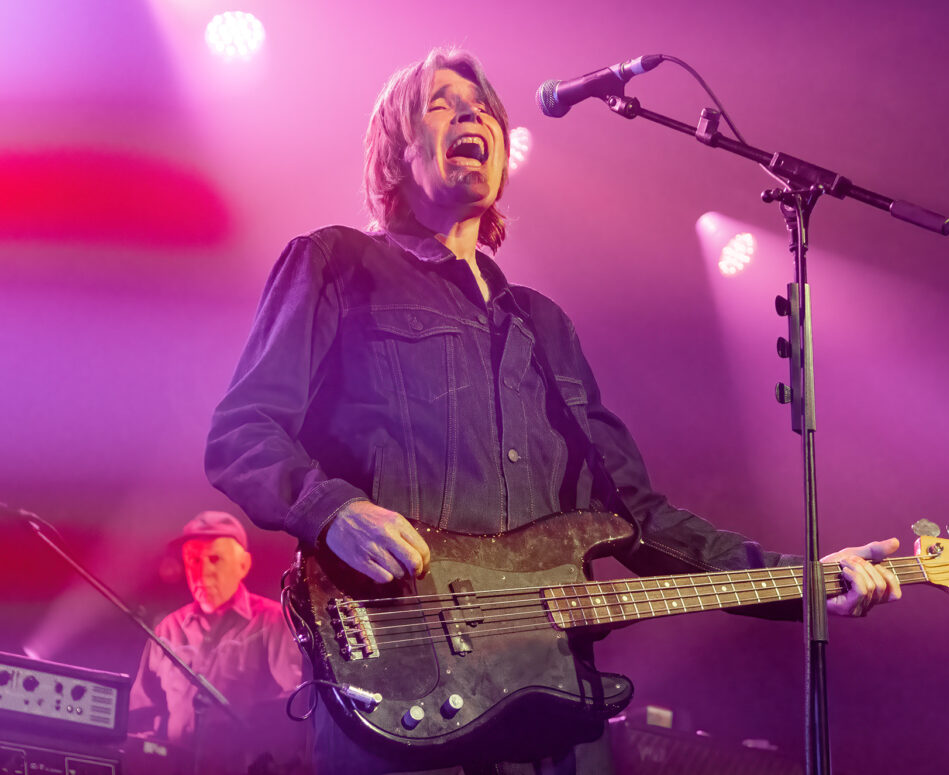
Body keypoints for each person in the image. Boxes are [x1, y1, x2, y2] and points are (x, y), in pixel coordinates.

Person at [204, 47, 901, 775]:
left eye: (483, 110)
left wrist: (810, 575)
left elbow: (639, 520)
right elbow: (241, 432)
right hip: (397, 688)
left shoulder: (545, 327)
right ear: (396, 153)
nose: (471, 113)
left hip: (551, 709)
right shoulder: (335, 264)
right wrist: (331, 509)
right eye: (441, 104)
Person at [128, 511, 309, 774]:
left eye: (215, 559)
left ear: (243, 565)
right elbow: (142, 711)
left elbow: (295, 706)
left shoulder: (273, 622)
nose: (202, 571)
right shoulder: (168, 629)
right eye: (193, 560)